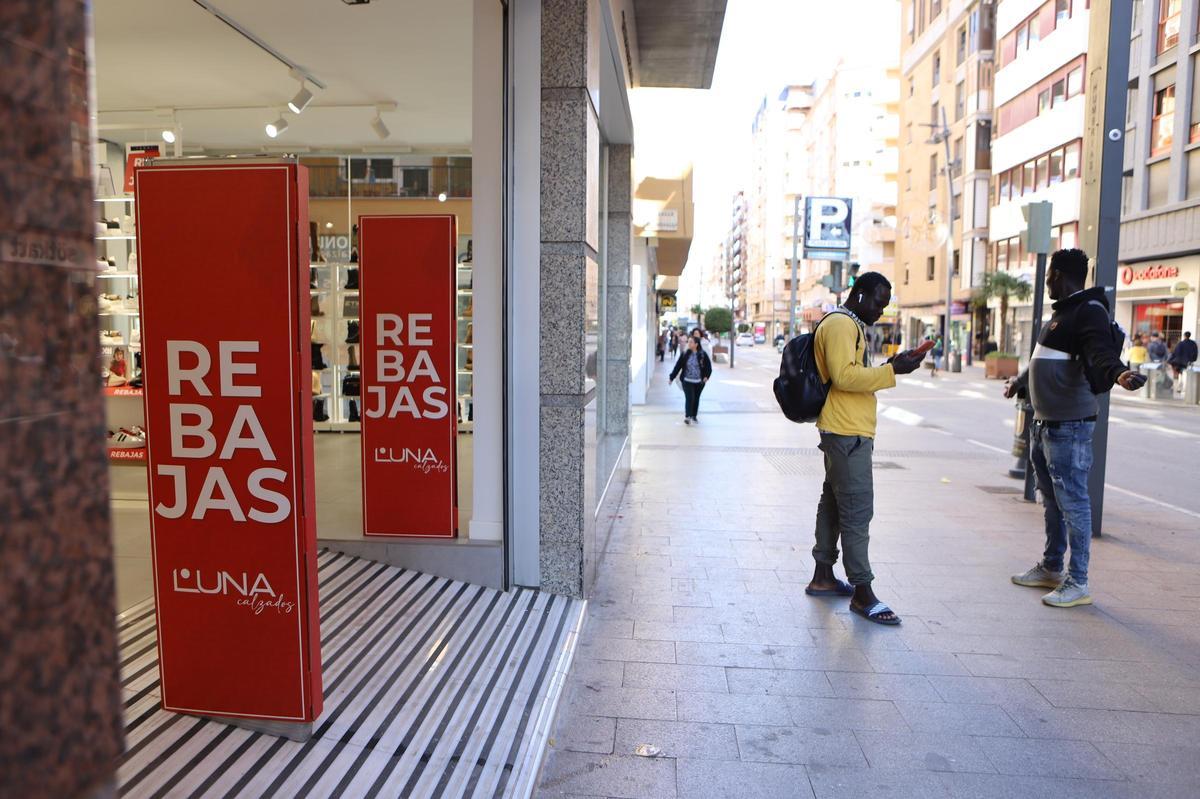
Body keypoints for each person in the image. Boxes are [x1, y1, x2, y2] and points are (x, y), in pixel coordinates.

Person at [1005, 248, 1146, 608]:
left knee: (1074, 504)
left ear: (1059, 275)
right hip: (1044, 424)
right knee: (1052, 500)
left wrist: (1120, 373)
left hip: (1069, 427)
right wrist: (1020, 381)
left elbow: (1100, 352)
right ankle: (1052, 566)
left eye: (1050, 275)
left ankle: (1078, 581)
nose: (1047, 281)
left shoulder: (1089, 311)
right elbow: (1042, 359)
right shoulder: (1063, 314)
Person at [805, 272, 927, 625]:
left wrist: (891, 367)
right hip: (847, 432)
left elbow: (848, 373)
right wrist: (891, 370)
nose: (880, 310)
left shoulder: (844, 323)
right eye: (877, 302)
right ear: (858, 295)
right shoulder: (843, 324)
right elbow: (844, 376)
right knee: (857, 511)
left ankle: (823, 575)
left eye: (885, 305)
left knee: (832, 505)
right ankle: (863, 593)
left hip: (842, 429)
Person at [668, 335, 711, 424]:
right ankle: (688, 416)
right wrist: (671, 377)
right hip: (687, 381)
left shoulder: (702, 354)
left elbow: (708, 367)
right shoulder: (685, 354)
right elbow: (678, 366)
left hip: (699, 382)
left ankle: (694, 416)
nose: (689, 343)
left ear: (696, 344)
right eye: (688, 342)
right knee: (689, 398)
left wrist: (706, 376)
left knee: (696, 398)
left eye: (691, 342)